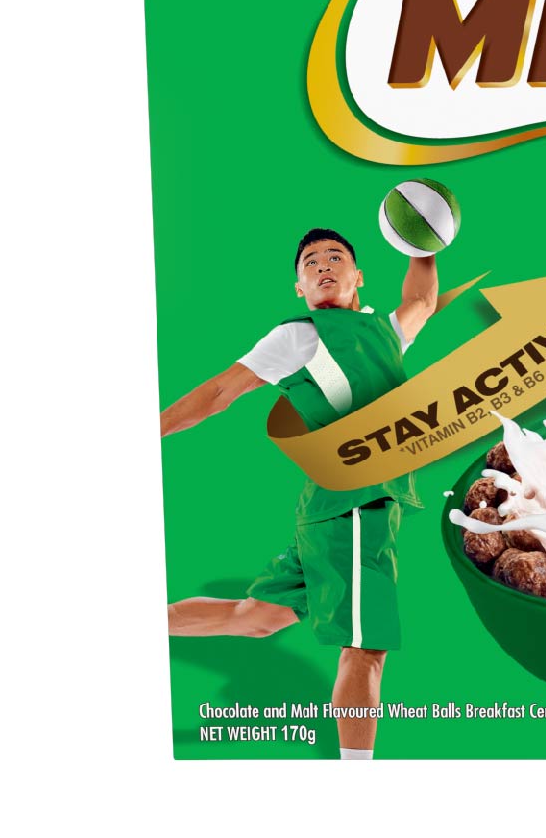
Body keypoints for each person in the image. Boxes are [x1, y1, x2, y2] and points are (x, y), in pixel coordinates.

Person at [162, 227, 437, 760]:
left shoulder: (383, 333)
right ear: (299, 287)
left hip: (337, 509)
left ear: (359, 276)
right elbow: (220, 391)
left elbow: (422, 301)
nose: (324, 265)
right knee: (365, 647)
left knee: (255, 619)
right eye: (311, 262)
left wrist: (423, 240)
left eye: (335, 257)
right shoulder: (299, 336)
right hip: (353, 509)